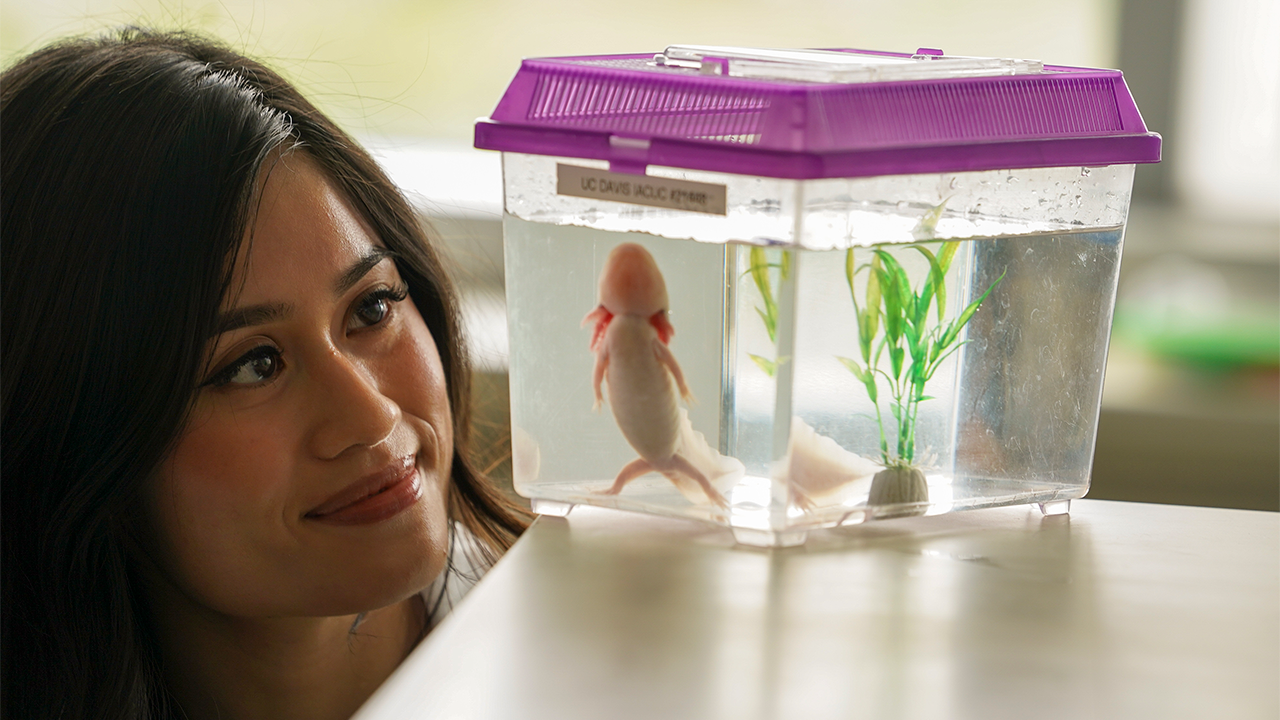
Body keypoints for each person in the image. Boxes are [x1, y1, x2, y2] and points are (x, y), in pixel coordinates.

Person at [0, 28, 528, 720]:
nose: (371, 417)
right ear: (73, 444)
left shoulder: (604, 657)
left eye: (371, 308)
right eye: (254, 365)